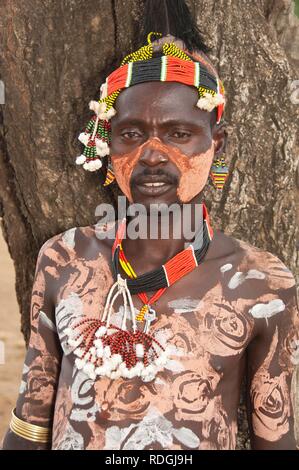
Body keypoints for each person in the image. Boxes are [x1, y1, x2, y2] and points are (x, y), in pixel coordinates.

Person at [2, 1, 299, 451]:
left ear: (215, 145)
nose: (152, 155)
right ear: (107, 142)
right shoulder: (63, 257)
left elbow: (275, 437)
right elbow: (29, 422)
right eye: (132, 134)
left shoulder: (260, 282)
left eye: (179, 134)